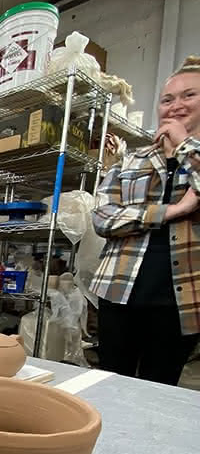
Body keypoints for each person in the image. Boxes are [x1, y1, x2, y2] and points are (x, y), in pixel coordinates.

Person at [91, 55, 200, 386]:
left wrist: (185, 146)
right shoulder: (129, 161)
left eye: (189, 96)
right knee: (109, 381)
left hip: (181, 300)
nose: (175, 106)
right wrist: (172, 211)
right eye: (167, 99)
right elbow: (103, 217)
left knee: (158, 388)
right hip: (118, 290)